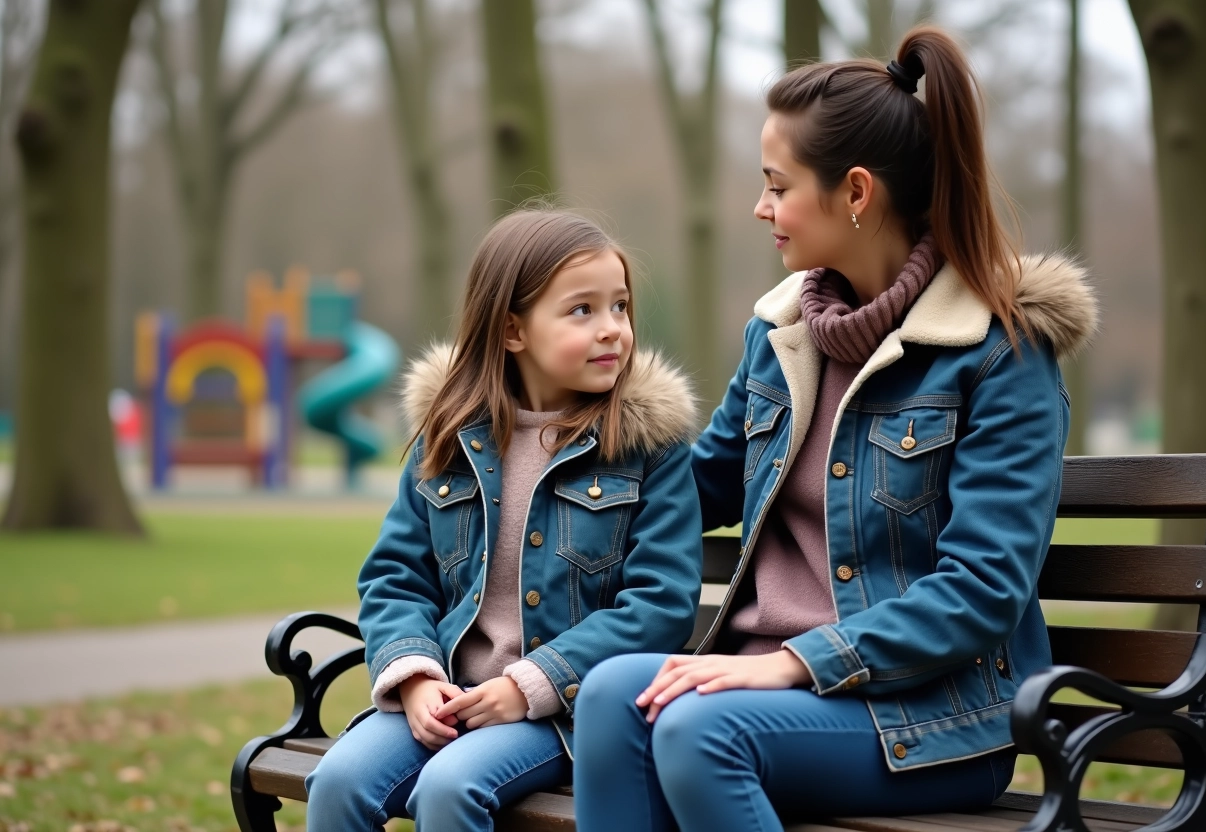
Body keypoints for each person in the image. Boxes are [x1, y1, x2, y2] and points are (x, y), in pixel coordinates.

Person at [574, 26, 1098, 831]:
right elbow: (696, 482)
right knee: (612, 693)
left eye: (777, 186)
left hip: (924, 719)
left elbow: (982, 588)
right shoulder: (781, 335)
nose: (761, 208)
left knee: (696, 731)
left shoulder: (999, 356)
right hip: (767, 687)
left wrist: (795, 662)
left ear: (856, 193)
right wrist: (536, 452)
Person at [306, 209, 703, 830]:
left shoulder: (647, 446)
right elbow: (394, 577)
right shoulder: (452, 439)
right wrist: (414, 676)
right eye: (582, 310)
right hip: (448, 695)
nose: (613, 330)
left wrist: (530, 684)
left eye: (620, 307)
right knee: (338, 781)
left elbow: (660, 603)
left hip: (561, 715)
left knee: (449, 788)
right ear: (513, 329)